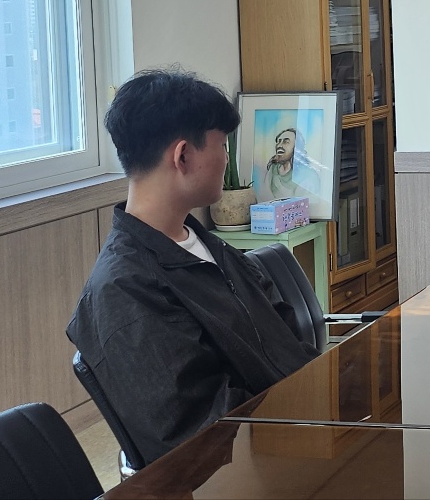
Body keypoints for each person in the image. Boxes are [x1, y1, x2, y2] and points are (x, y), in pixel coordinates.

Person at [68, 69, 317, 465]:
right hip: (258, 466)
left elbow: (287, 341)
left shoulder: (208, 245)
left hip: (302, 430)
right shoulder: (125, 291)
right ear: (183, 156)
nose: (227, 158)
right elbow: (199, 436)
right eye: (222, 145)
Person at [263, 126, 323, 200]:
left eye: (286, 142)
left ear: (296, 148)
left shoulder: (308, 175)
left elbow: (307, 203)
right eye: (278, 141)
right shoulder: (273, 169)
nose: (279, 145)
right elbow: (264, 198)